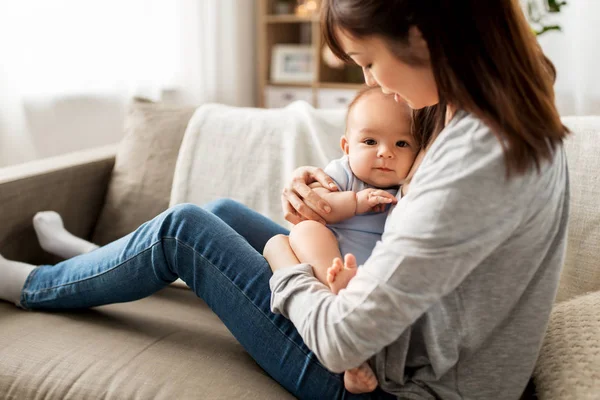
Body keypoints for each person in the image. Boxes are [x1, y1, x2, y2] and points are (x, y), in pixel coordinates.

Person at [0, 0, 569, 399]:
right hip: (397, 338)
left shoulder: (479, 157)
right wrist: (321, 180)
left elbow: (343, 338)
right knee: (221, 215)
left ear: (420, 35)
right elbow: (394, 187)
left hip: (390, 383)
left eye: (368, 62)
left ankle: (31, 286)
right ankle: (92, 258)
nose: (374, 82)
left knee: (185, 231)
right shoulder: (480, 111)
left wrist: (282, 256)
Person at [265, 86, 417, 393]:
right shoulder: (344, 173)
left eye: (401, 143)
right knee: (306, 229)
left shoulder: (404, 188)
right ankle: (333, 285)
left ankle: (356, 368)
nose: (385, 152)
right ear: (347, 147)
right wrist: (356, 202)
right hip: (332, 260)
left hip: (368, 272)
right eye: (370, 141)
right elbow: (318, 204)